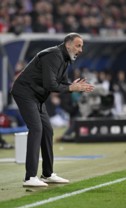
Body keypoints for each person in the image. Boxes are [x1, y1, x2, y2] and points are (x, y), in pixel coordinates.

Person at [11, 33, 94, 187]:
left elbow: (60, 83)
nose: (81, 49)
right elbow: (51, 85)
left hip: (37, 97)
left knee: (47, 130)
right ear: (68, 45)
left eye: (81, 46)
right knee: (36, 129)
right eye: (78, 45)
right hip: (25, 93)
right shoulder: (54, 55)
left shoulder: (64, 58)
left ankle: (47, 174)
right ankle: (30, 177)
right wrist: (71, 87)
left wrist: (72, 85)